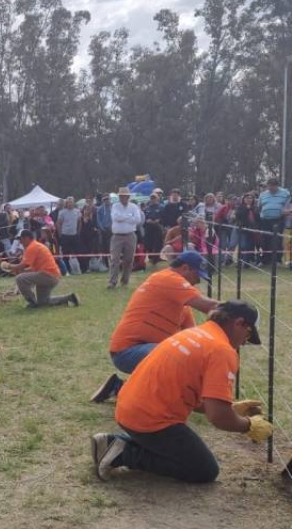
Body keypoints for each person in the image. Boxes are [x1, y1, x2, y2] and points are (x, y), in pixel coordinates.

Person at [91, 301, 271, 484]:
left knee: (181, 452)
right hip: (151, 420)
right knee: (204, 469)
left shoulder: (195, 333)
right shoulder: (221, 350)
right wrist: (248, 426)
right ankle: (121, 453)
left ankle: (113, 444)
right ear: (239, 323)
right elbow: (218, 417)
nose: (243, 343)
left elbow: (192, 394)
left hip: (129, 409)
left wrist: (231, 408)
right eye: (248, 335)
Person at [90, 251, 218, 403]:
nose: (197, 282)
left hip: (142, 349)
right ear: (185, 268)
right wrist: (241, 311)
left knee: (184, 358)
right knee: (173, 357)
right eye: (197, 276)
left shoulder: (182, 304)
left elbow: (192, 336)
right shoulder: (168, 279)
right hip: (127, 352)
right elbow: (209, 306)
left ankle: (119, 387)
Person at [3, 228, 80, 308]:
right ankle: (70, 298)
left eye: (21, 239)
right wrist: (18, 271)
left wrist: (8, 266)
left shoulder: (32, 247)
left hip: (47, 275)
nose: (20, 242)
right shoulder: (36, 245)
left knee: (20, 279)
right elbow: (31, 269)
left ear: (26, 238)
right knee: (43, 302)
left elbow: (23, 265)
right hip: (51, 275)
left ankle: (32, 301)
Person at [108, 187, 143, 288]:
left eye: (124, 196)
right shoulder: (115, 206)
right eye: (121, 196)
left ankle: (125, 281)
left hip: (130, 235)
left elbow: (137, 220)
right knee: (114, 259)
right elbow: (115, 218)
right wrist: (128, 217)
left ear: (128, 197)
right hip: (117, 236)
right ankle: (112, 282)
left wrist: (123, 217)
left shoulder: (134, 207)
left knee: (128, 260)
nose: (122, 198)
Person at [257, 177, 290, 265]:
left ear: (277, 186)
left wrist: (288, 211)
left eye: (272, 186)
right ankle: (264, 260)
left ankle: (277, 260)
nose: (270, 188)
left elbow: (289, 205)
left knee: (277, 240)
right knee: (264, 240)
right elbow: (259, 207)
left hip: (278, 220)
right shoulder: (263, 194)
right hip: (265, 221)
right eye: (269, 186)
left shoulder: (285, 193)